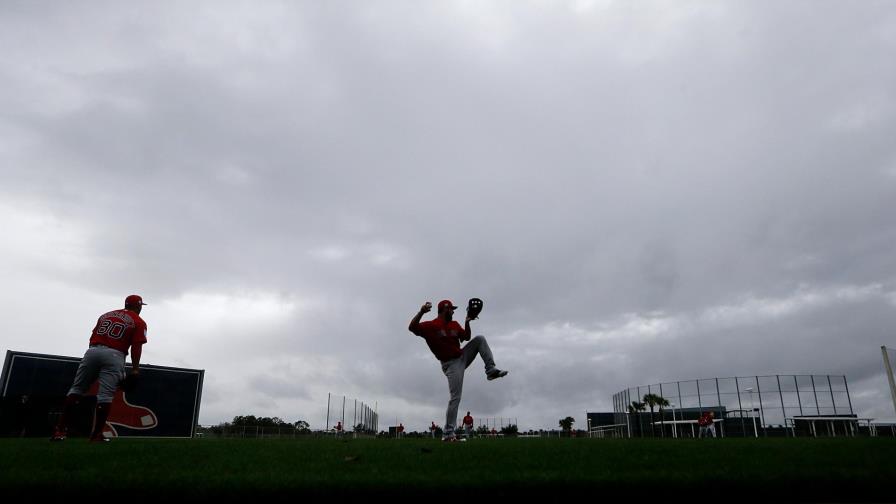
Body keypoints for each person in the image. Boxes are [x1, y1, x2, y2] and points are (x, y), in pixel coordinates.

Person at [51, 295, 148, 442]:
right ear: (139, 306)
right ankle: (96, 435)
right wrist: (135, 369)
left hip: (92, 351)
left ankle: (59, 431)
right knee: (105, 396)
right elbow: (136, 346)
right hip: (115, 354)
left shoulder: (106, 315)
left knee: (76, 389)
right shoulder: (139, 321)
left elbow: (93, 336)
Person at [409, 300, 508, 442]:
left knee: (479, 339)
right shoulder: (431, 325)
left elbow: (466, 337)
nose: (453, 312)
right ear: (445, 309)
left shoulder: (454, 325)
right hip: (450, 364)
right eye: (451, 309)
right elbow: (412, 328)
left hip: (462, 356)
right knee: (455, 398)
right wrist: (421, 312)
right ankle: (448, 434)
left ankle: (490, 370)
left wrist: (467, 322)